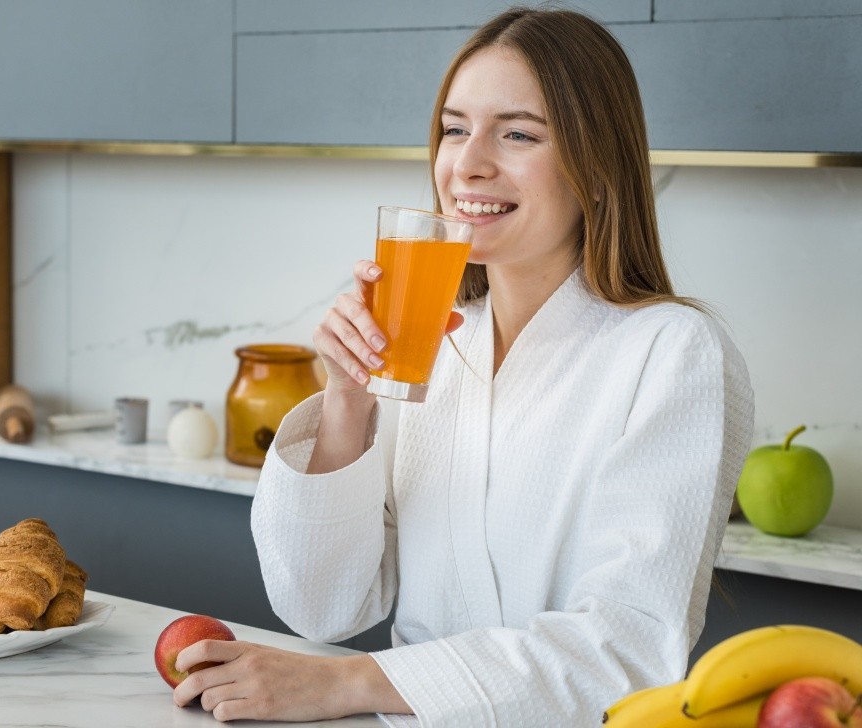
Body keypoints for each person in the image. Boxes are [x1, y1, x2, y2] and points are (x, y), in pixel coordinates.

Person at [170, 6, 754, 726]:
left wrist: (348, 685)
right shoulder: (433, 348)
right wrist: (348, 399)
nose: (468, 163)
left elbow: (625, 651)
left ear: (598, 168)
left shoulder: (672, 354)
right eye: (454, 128)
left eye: (517, 134)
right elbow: (321, 607)